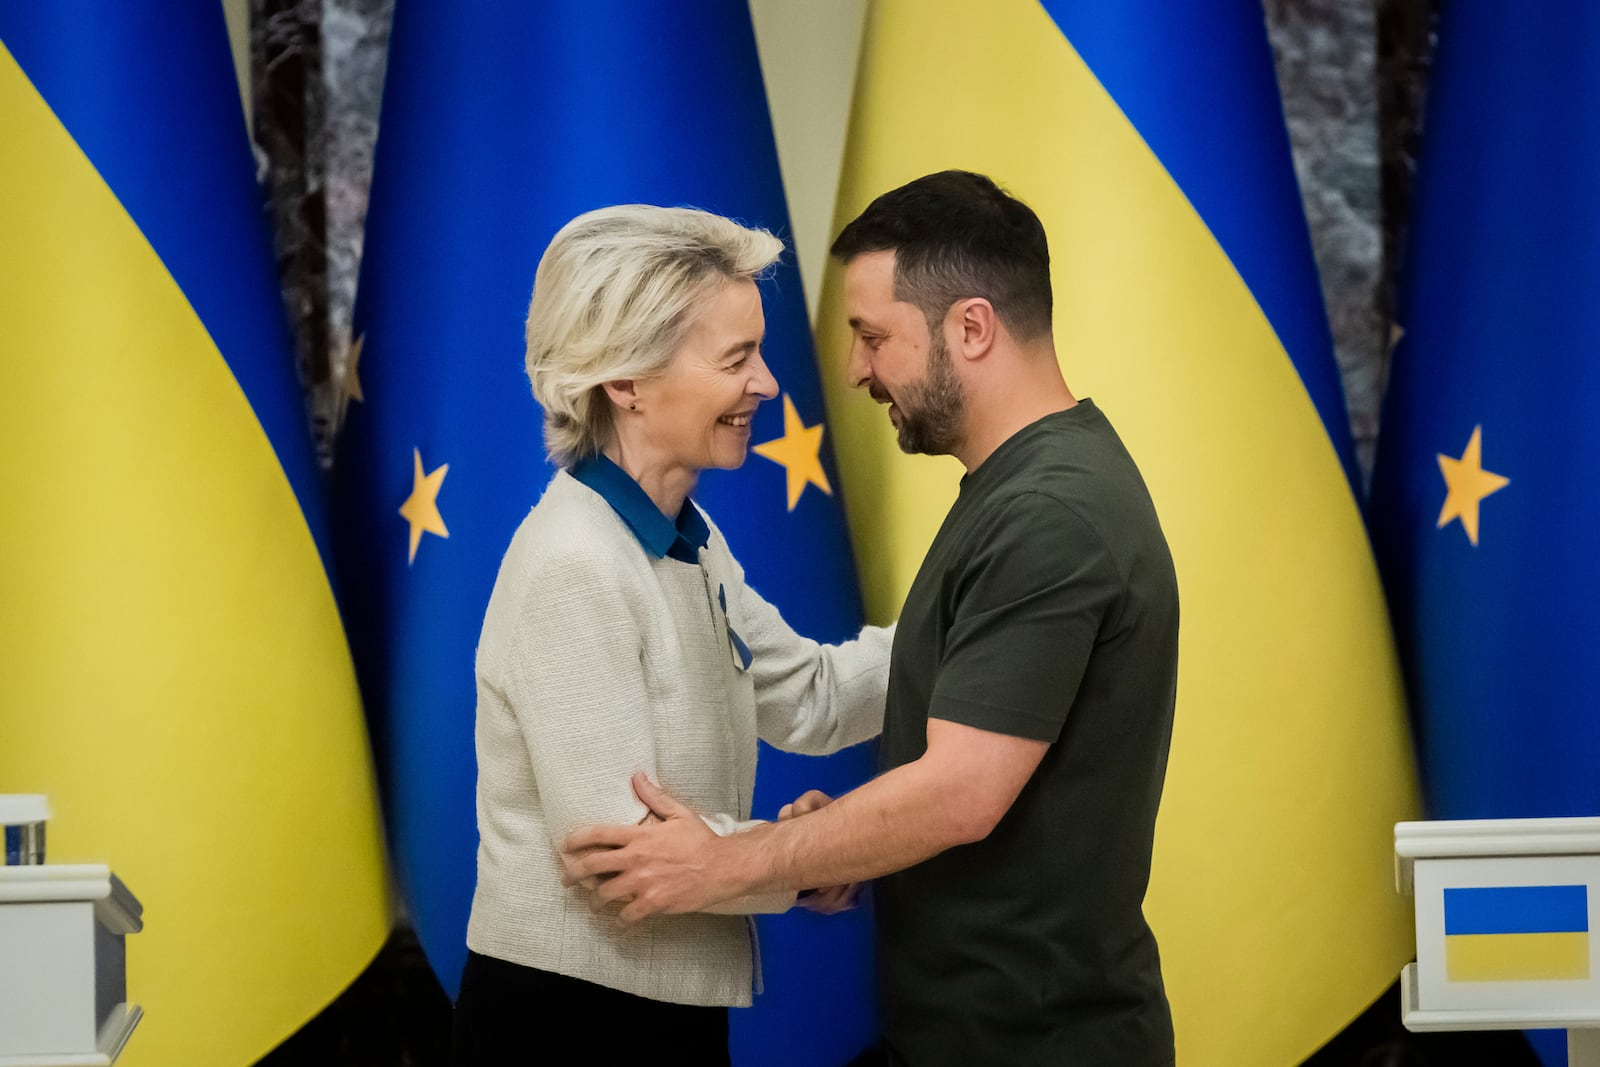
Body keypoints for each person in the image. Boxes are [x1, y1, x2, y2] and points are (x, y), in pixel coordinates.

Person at [561, 171, 1180, 1066]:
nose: (852, 369)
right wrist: (841, 835)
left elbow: (960, 793)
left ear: (970, 327)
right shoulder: (1020, 488)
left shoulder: (1051, 515)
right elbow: (983, 748)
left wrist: (726, 863)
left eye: (871, 335)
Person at [453, 204, 892, 1066]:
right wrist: (797, 856)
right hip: (569, 1025)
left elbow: (812, 696)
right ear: (627, 379)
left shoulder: (686, 540)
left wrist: (976, 618)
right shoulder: (574, 562)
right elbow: (627, 862)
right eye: (737, 358)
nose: (767, 383)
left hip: (655, 1006)